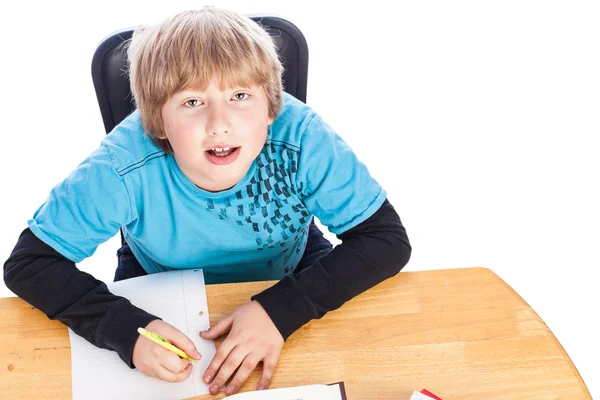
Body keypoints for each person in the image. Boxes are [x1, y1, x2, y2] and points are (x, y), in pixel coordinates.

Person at [3, 6, 411, 396]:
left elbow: (386, 240)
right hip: (158, 272)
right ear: (157, 122)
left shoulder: (303, 138)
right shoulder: (121, 166)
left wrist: (281, 309)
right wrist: (123, 328)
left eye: (240, 96)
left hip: (292, 264)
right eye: (192, 102)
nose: (220, 124)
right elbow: (30, 264)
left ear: (271, 107)